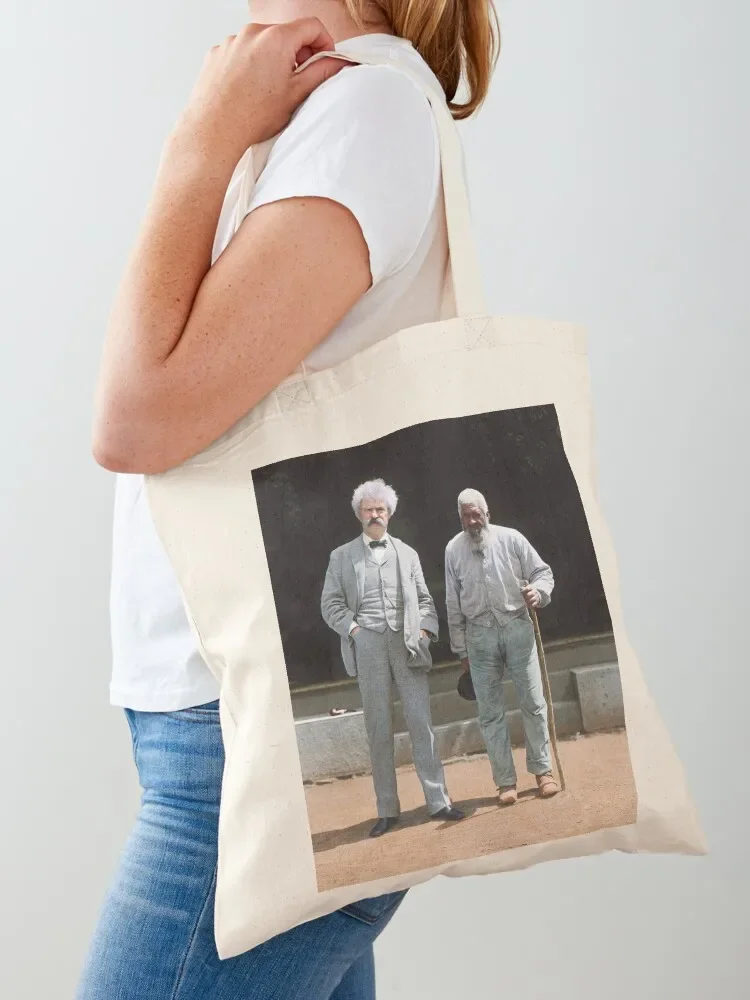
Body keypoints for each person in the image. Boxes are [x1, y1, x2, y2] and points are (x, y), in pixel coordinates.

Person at [79, 0, 499, 996]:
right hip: (227, 734)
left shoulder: (365, 111)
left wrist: (201, 138)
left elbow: (135, 417)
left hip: (256, 763)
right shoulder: (315, 106)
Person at [321, 479, 465, 835]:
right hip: (367, 645)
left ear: (389, 514)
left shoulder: (407, 553)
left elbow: (427, 602)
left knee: (421, 722)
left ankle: (438, 801)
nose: (374, 515)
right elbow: (330, 604)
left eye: (380, 510)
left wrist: (425, 632)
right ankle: (387, 809)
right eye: (368, 510)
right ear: (359, 514)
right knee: (378, 729)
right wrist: (355, 631)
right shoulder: (341, 557)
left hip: (407, 645)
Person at [445, 488, 560, 805]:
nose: (472, 520)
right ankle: (505, 783)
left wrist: (538, 592)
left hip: (517, 628)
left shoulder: (512, 539)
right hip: (479, 637)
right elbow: (452, 604)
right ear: (460, 518)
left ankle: (543, 773)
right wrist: (461, 652)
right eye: (466, 515)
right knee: (489, 714)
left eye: (476, 513)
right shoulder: (453, 550)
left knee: (533, 702)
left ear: (487, 513)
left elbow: (542, 572)